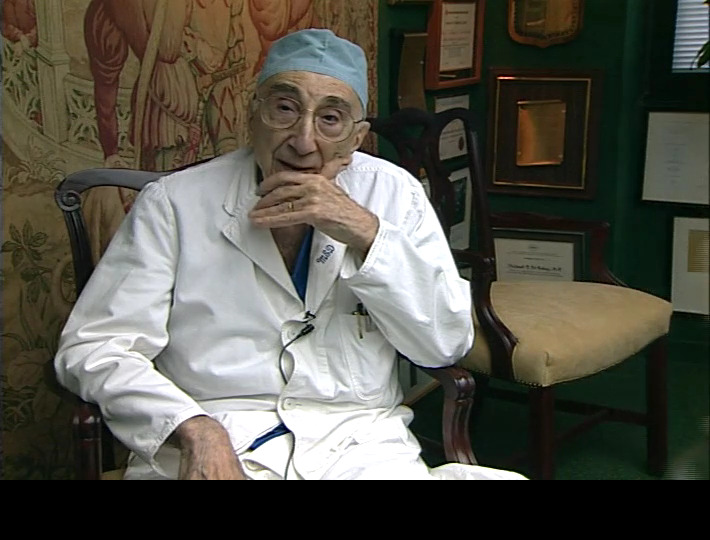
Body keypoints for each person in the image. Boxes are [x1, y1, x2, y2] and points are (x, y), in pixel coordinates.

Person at [54, 28, 525, 480]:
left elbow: (445, 343)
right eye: (284, 108)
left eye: (330, 118)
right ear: (252, 114)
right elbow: (96, 346)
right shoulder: (174, 203)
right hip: (219, 434)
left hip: (358, 445)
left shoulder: (393, 194)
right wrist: (194, 430)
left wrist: (365, 233)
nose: (303, 141)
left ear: (356, 137)